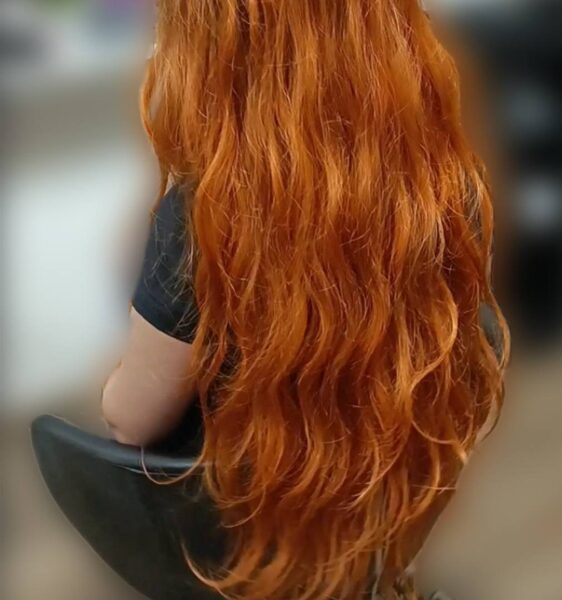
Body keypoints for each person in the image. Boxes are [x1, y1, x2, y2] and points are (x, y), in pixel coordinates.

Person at [102, 2, 509, 599]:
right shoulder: (449, 186)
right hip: (384, 515)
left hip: (241, 540)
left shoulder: (203, 217)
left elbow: (131, 420)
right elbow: (468, 357)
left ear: (213, 46)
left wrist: (117, 375)